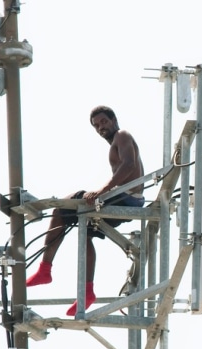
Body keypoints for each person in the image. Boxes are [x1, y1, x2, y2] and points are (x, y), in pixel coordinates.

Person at [26, 106, 145, 316]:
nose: (101, 127)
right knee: (86, 232)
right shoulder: (115, 143)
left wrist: (102, 191)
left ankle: (45, 269)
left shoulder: (122, 136)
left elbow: (129, 165)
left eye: (103, 122)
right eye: (97, 125)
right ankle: (87, 291)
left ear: (113, 119)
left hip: (127, 198)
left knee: (62, 207)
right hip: (124, 199)